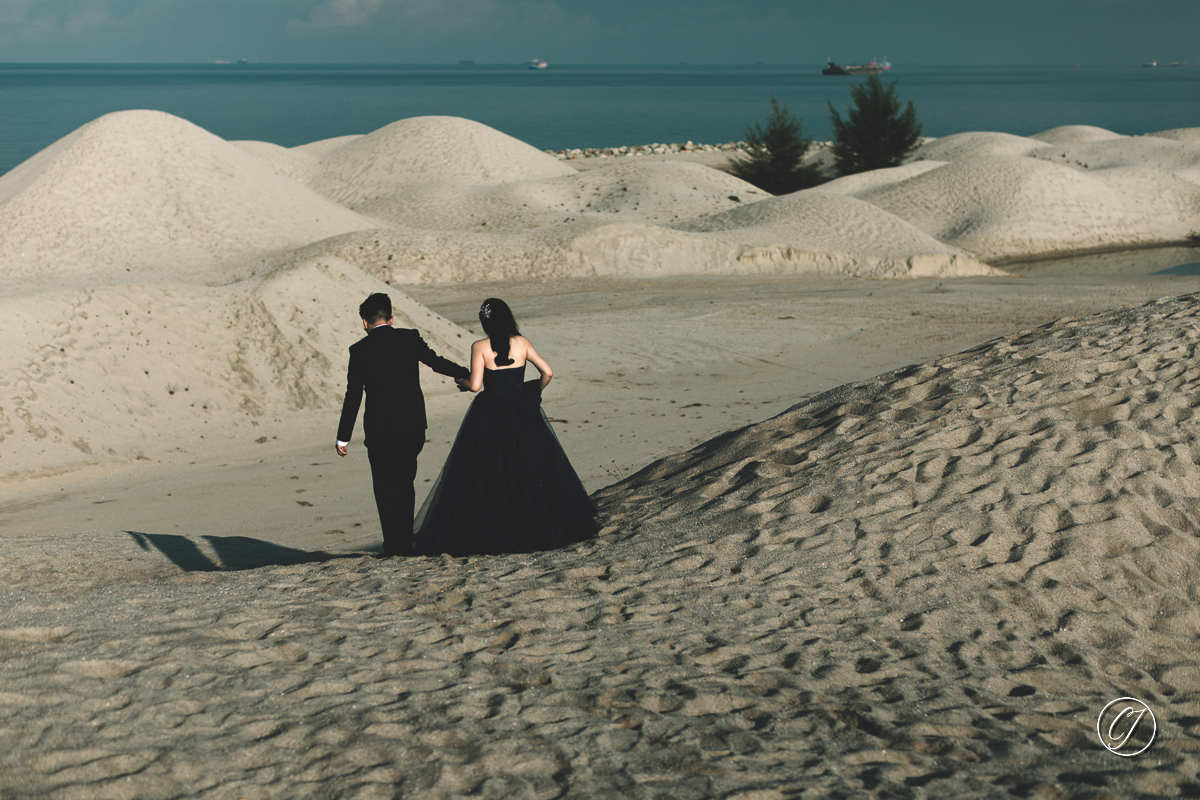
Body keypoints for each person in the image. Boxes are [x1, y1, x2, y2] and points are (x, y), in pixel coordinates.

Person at [412, 298, 598, 556]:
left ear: (485, 322)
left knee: (488, 469)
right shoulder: (522, 343)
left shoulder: (479, 346)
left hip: (490, 413)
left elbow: (476, 385)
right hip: (520, 411)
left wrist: (464, 384)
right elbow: (548, 373)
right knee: (526, 466)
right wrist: (530, 394)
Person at [336, 292, 471, 557]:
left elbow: (353, 396)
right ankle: (407, 540)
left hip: (380, 430)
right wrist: (467, 373)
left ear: (365, 322)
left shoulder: (359, 350)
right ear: (391, 318)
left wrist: (343, 437)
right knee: (405, 481)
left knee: (385, 486)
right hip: (412, 427)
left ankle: (393, 545)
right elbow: (436, 362)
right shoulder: (409, 338)